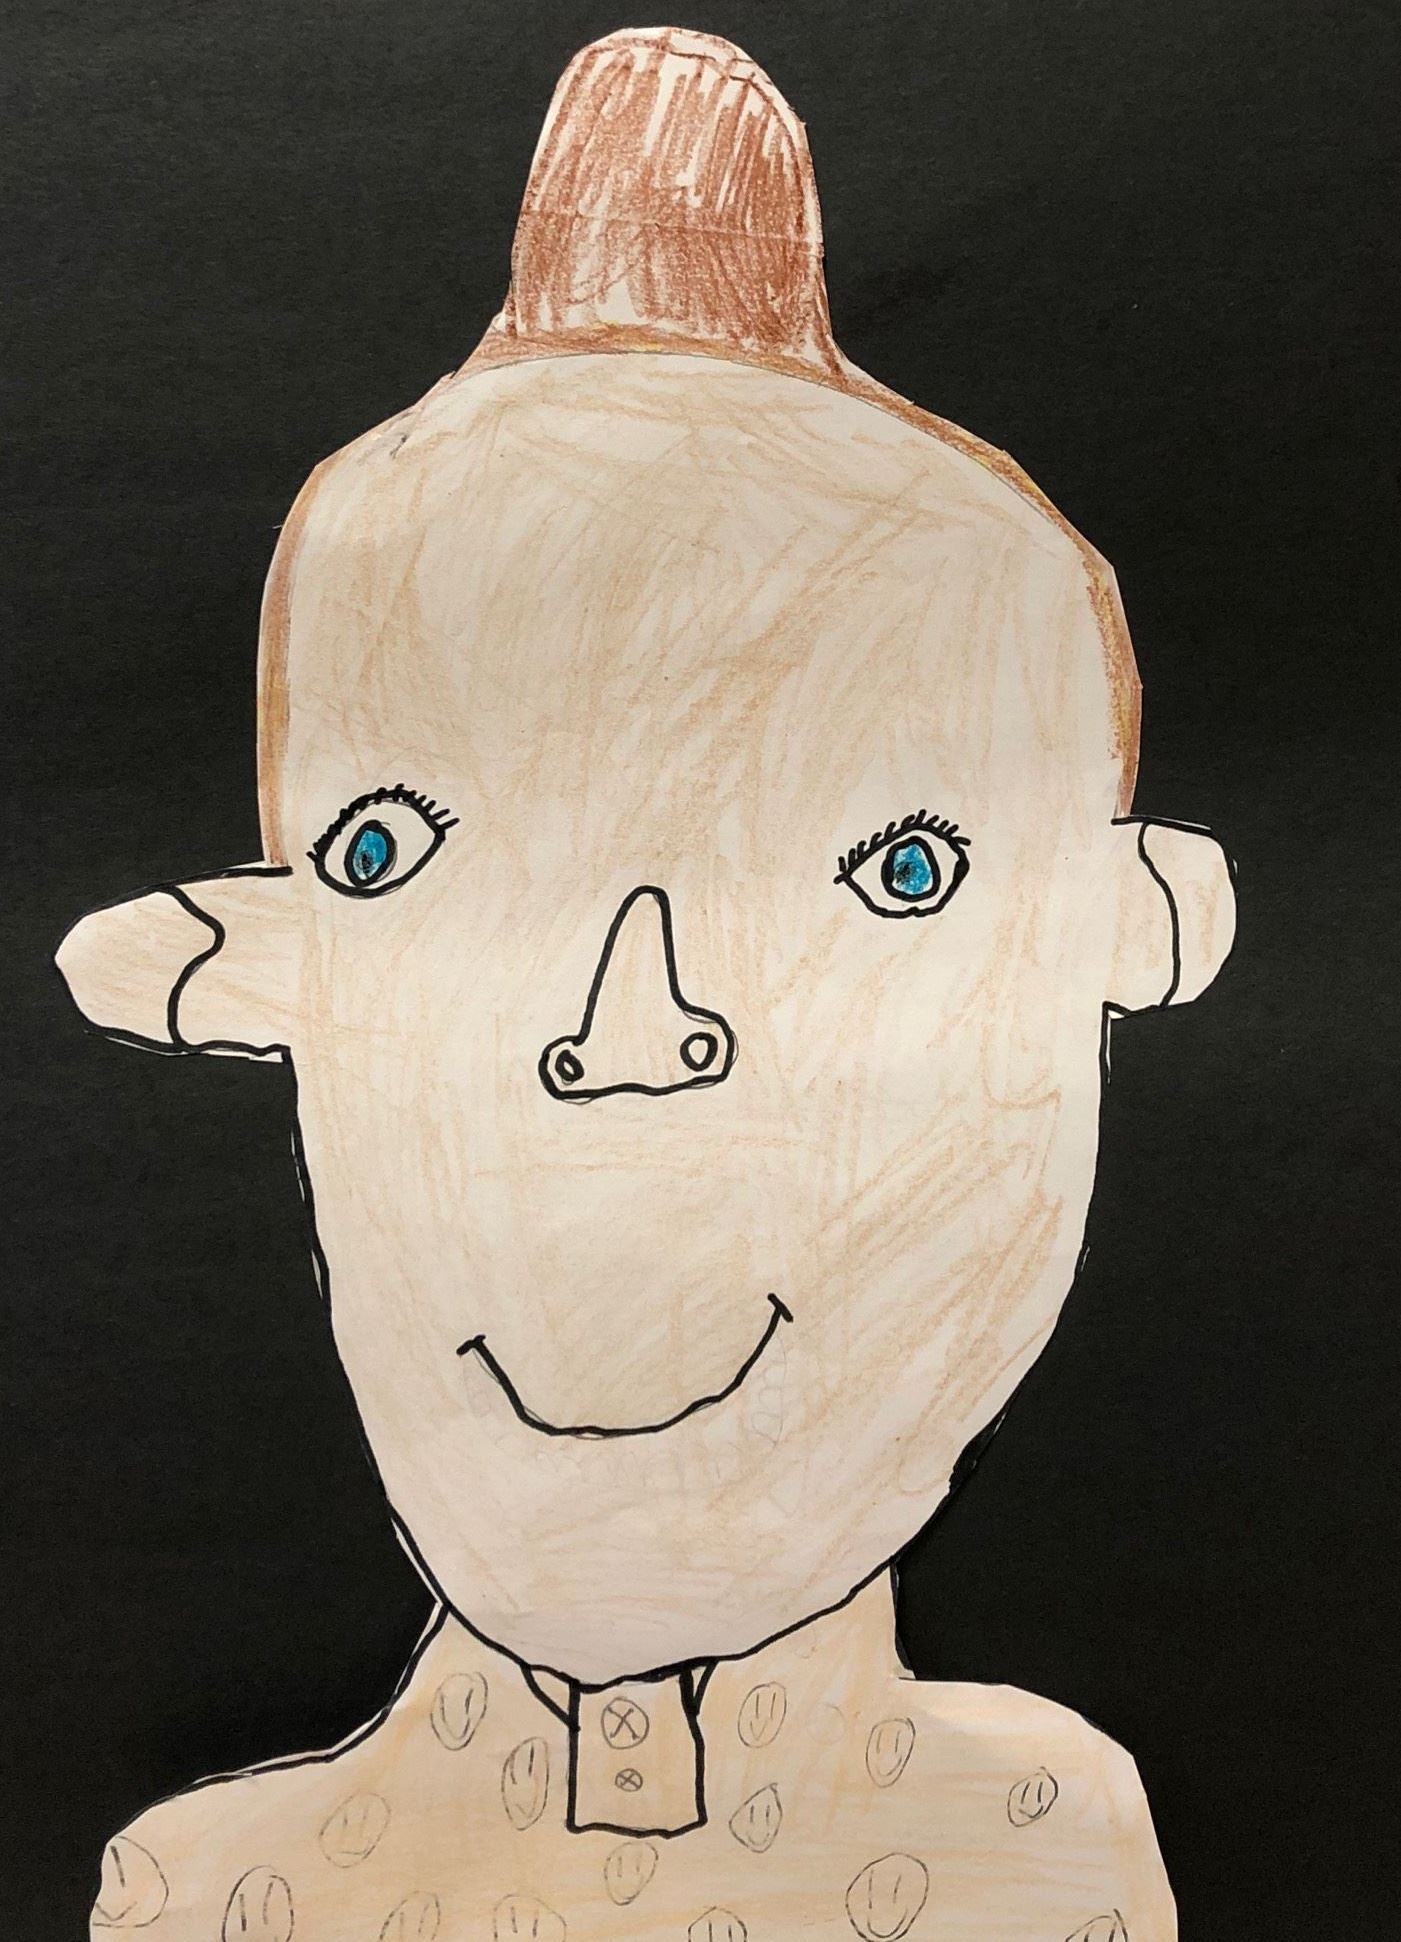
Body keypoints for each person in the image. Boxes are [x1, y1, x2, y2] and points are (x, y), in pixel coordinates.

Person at [58, 28, 1235, 1942]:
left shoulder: (1053, 1860)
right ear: (246, 978)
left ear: (1125, 940)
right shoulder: (202, 1901)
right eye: (388, 849)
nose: (630, 1029)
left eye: (901, 866)